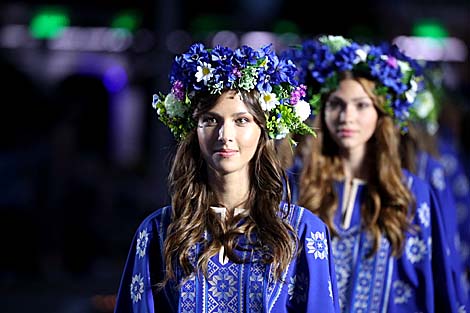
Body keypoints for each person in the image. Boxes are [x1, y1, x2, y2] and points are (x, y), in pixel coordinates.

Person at [114, 42, 340, 312]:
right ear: (193, 130)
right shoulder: (157, 232)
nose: (225, 135)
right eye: (211, 120)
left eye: (241, 120)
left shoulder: (302, 232)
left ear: (263, 130)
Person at [283, 35, 468, 312]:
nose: (347, 116)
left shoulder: (411, 193)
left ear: (381, 114)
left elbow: (439, 283)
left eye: (361, 105)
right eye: (336, 104)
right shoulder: (297, 183)